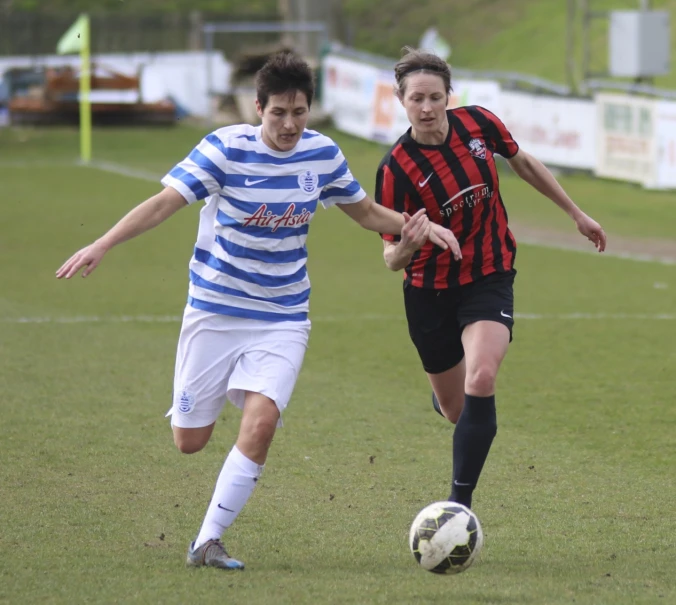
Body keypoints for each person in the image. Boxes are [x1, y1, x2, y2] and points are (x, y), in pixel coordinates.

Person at [56, 51, 458, 571]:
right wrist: (102, 244)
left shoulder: (322, 154)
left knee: (263, 420)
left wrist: (416, 225)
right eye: (278, 114)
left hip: (283, 314)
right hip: (215, 311)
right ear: (258, 108)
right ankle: (232, 385)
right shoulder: (224, 149)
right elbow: (163, 203)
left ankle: (208, 539)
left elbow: (364, 212)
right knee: (189, 442)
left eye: (299, 113)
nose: (290, 125)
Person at [374, 47, 607, 511]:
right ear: (401, 100)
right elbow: (390, 259)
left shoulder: (479, 124)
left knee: (481, 378)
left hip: (489, 273)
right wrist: (410, 243)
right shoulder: (395, 169)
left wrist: (575, 213)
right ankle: (447, 403)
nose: (426, 108)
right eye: (416, 98)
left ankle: (459, 505)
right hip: (428, 292)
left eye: (435, 97)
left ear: (449, 96)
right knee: (458, 410)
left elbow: (522, 162)